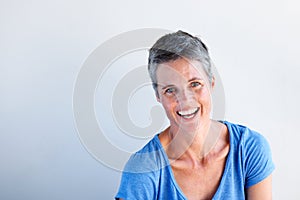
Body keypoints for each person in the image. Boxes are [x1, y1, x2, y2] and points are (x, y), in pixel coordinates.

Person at [115, 30, 275, 200]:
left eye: (195, 84)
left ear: (211, 84)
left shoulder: (249, 149)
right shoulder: (142, 169)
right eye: (170, 90)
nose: (185, 100)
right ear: (158, 96)